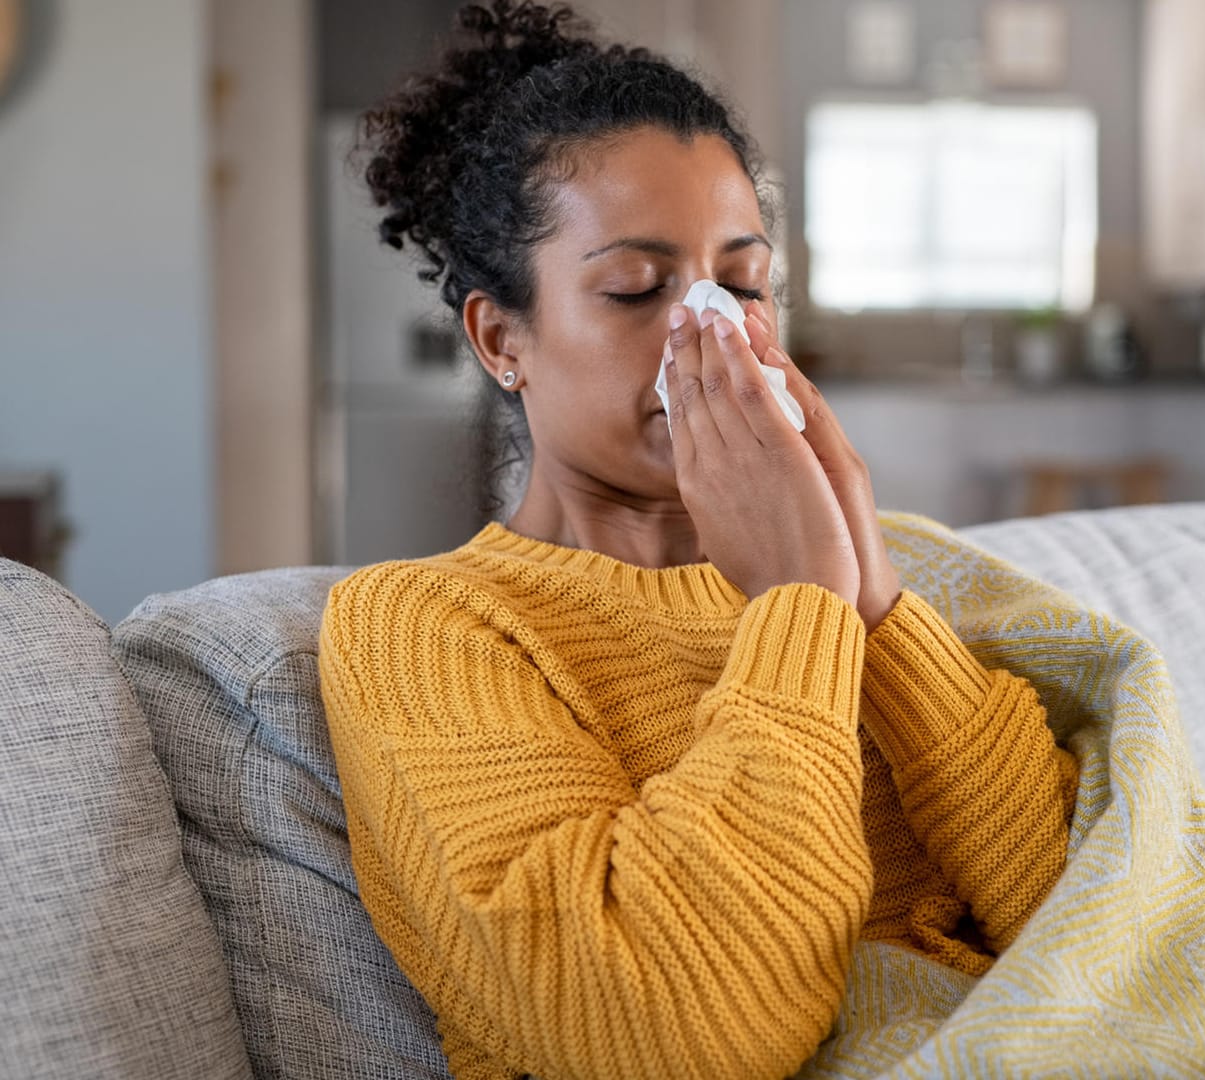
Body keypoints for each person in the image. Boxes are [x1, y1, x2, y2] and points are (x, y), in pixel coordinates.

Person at [316, 4, 1079, 1078]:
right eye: (638, 288)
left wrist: (877, 607)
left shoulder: (864, 558)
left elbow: (1093, 922)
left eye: (746, 282)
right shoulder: (428, 627)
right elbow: (674, 1030)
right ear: (502, 339)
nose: (713, 329)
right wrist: (802, 610)